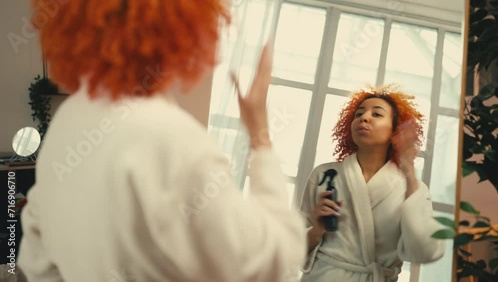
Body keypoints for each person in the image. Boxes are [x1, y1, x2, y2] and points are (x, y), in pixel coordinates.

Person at [18, 1, 306, 281]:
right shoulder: (173, 139)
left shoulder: (69, 119)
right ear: (186, 28)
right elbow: (274, 260)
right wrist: (260, 137)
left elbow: (35, 260)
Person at [299, 85, 445, 282]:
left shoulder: (410, 188)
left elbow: (425, 250)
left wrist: (409, 173)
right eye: (359, 114)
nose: (364, 118)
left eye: (377, 114)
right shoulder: (325, 175)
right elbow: (293, 249)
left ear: (396, 129)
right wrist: (316, 230)